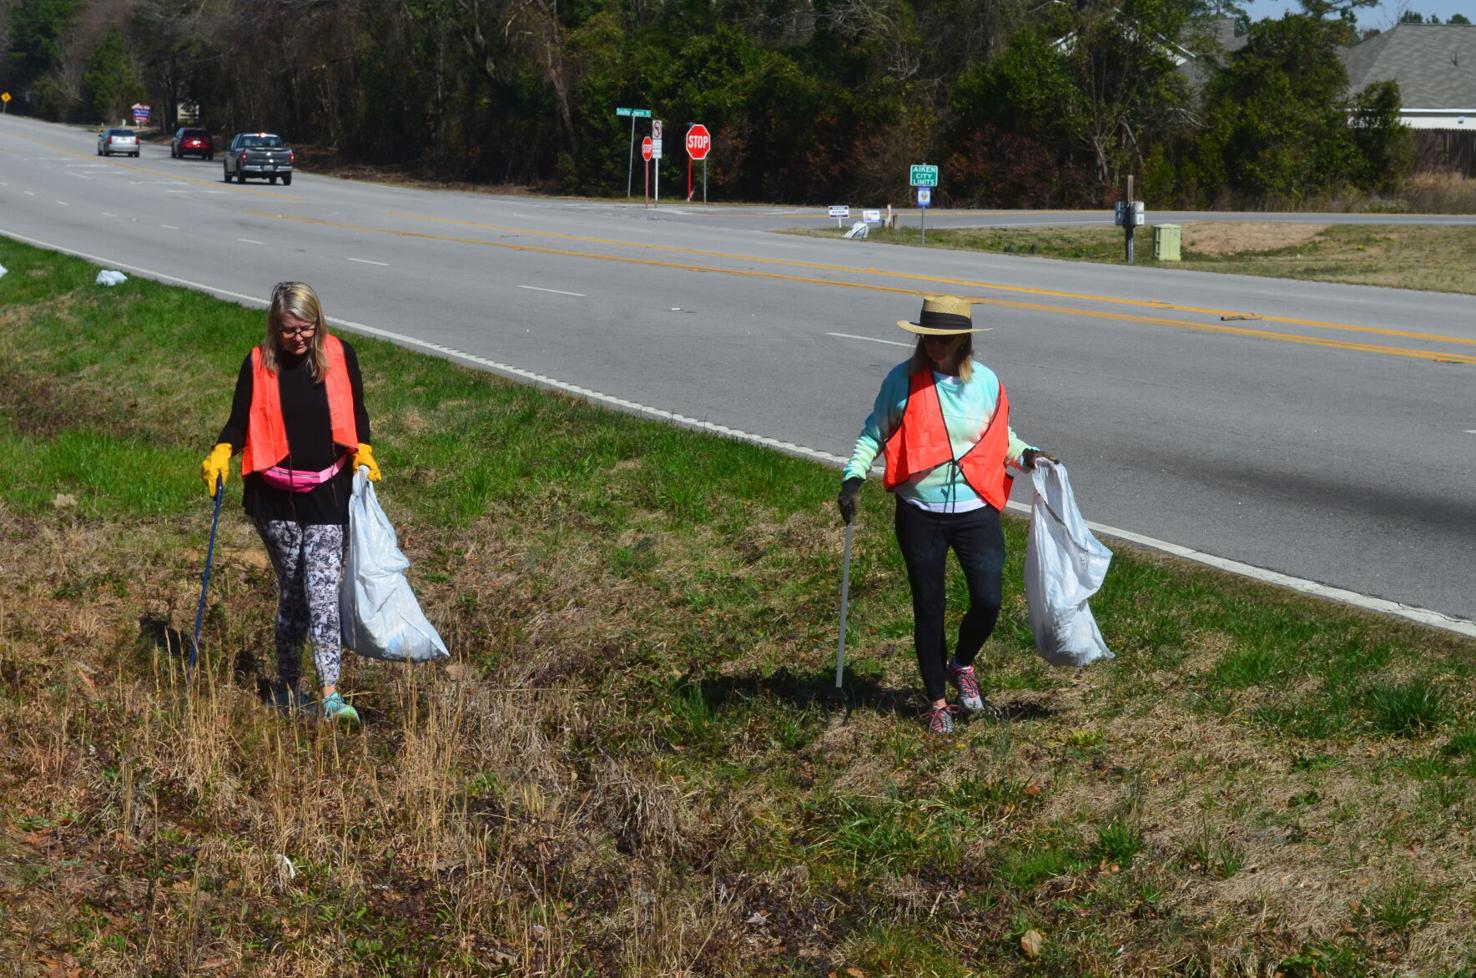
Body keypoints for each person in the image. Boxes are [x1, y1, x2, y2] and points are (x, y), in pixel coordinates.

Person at [837, 296, 1055, 735]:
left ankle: (962, 664)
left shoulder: (988, 383)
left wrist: (1027, 454)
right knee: (929, 606)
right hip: (921, 511)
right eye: (927, 338)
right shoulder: (903, 381)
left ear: (963, 340)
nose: (935, 347)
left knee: (988, 599)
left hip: (976, 509)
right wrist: (853, 477)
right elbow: (873, 431)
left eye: (945, 339)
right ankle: (937, 701)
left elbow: (999, 438)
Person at [200, 282, 380, 723]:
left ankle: (331, 695)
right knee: (295, 592)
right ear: (274, 327)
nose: (298, 337)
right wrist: (222, 452)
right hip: (273, 498)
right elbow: (239, 419)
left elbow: (357, 414)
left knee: (320, 590)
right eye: (289, 329)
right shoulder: (259, 363)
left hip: (326, 492)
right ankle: (286, 685)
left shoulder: (340, 355)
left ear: (319, 322)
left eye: (306, 327)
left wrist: (364, 450)